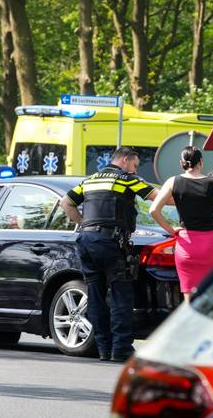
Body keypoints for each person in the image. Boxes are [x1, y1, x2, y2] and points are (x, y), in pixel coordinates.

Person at [59, 146, 158, 363]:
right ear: (125, 160)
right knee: (121, 296)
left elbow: (65, 202)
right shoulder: (126, 179)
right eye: (134, 165)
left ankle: (103, 348)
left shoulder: (90, 180)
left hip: (86, 241)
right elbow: (157, 197)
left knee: (96, 296)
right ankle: (120, 349)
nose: (135, 170)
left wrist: (83, 223)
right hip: (110, 243)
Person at [148, 147, 213, 302]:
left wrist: (171, 230)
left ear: (182, 163)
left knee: (189, 300)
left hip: (187, 247)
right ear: (201, 162)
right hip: (212, 245)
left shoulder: (173, 182)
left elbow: (153, 210)